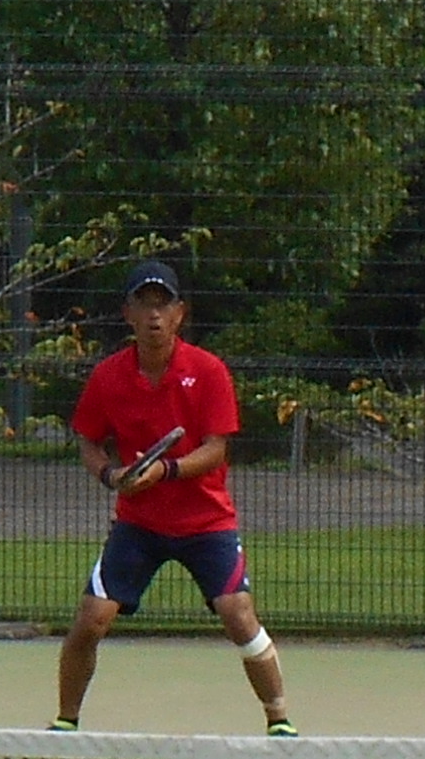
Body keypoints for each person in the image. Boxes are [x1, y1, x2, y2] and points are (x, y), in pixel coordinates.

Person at [52, 261, 295, 735]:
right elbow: (88, 441)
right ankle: (66, 723)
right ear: (128, 314)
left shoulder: (208, 372)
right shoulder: (108, 377)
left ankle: (279, 719)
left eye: (163, 305)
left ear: (180, 313)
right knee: (91, 621)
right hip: (138, 526)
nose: (154, 316)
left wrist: (167, 470)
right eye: (143, 304)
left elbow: (217, 448)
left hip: (206, 524)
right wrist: (110, 475)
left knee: (237, 614)